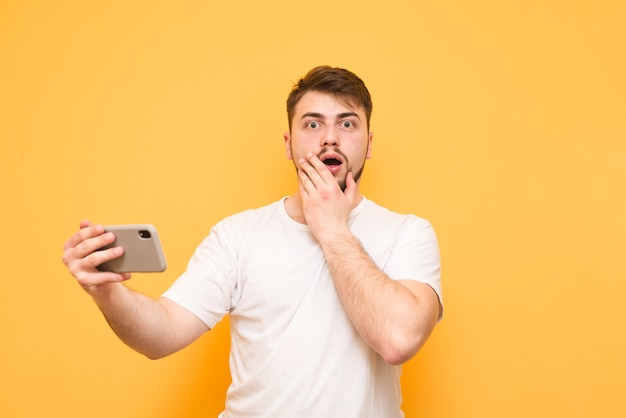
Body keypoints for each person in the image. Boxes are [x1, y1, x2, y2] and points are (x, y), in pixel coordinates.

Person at [62, 65, 443, 417]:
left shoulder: (408, 233)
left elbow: (399, 339)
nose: (329, 138)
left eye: (347, 123)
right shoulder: (237, 235)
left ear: (369, 143)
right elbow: (162, 334)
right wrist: (106, 293)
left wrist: (332, 228)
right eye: (312, 125)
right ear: (288, 143)